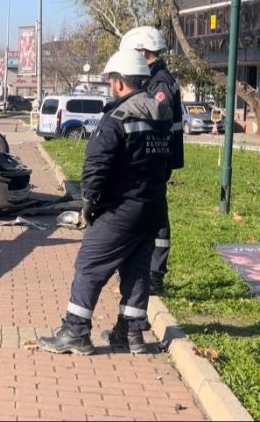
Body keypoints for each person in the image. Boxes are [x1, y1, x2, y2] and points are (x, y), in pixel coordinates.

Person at [38, 50, 172, 355]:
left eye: (112, 80)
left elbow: (96, 165)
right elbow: (168, 164)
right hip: (153, 208)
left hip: (119, 209)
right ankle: (131, 334)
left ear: (120, 82)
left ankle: (75, 331)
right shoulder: (162, 116)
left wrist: (90, 202)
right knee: (136, 269)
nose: (111, 85)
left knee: (89, 265)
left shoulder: (116, 119)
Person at [119, 26, 183, 295]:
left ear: (143, 52)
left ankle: (154, 276)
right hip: (154, 157)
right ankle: (142, 270)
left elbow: (156, 116)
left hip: (157, 158)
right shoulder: (154, 79)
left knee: (156, 216)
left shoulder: (160, 83)